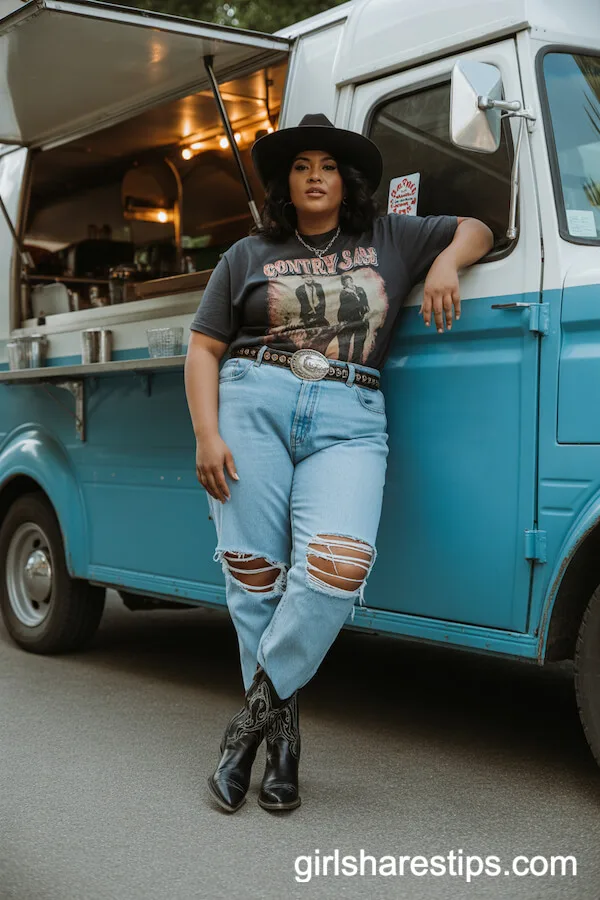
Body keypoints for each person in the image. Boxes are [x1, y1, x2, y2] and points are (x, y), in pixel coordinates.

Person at [184, 113, 493, 814]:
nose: (315, 175)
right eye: (300, 166)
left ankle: (249, 724)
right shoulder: (245, 253)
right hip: (251, 402)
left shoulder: (390, 237)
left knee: (338, 565)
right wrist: (207, 433)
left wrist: (446, 260)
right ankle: (283, 747)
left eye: (327, 164)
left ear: (346, 179)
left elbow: (475, 227)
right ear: (286, 184)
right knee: (254, 579)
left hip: (349, 415)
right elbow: (203, 346)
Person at [337, 273, 369, 362]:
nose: (349, 283)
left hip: (362, 320)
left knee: (359, 345)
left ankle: (356, 364)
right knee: (345, 345)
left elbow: (365, 302)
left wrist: (366, 314)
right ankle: (342, 364)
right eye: (346, 282)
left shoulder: (360, 289)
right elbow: (347, 307)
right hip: (349, 321)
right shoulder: (344, 293)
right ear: (344, 284)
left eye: (350, 280)